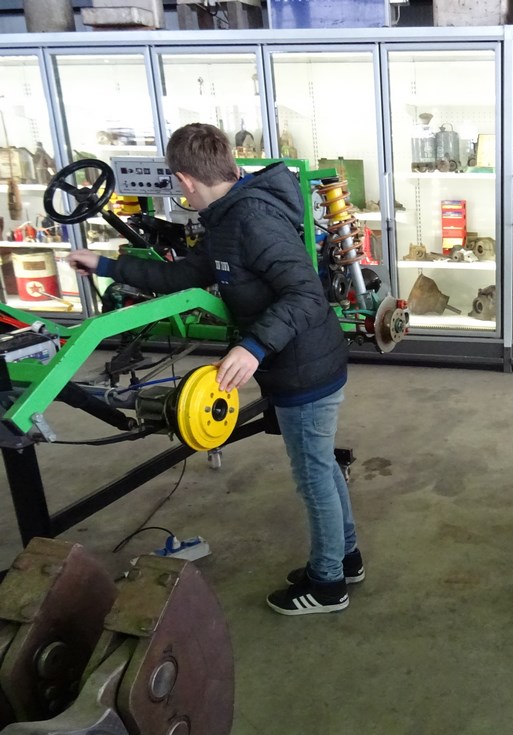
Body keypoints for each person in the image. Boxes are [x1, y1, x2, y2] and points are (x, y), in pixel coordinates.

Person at [66, 123, 364, 616]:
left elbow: (306, 294)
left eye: (178, 183)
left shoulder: (251, 220)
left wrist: (253, 347)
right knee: (322, 468)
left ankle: (329, 583)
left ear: (184, 180)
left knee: (313, 476)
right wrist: (107, 266)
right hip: (296, 362)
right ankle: (345, 559)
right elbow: (184, 273)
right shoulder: (227, 218)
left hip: (304, 367)